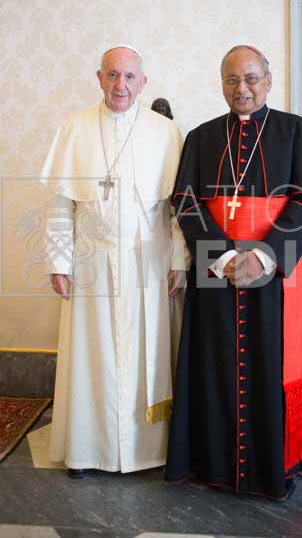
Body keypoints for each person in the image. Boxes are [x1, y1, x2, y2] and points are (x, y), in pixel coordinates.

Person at [165, 45, 302, 500]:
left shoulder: (299, 132)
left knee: (274, 364)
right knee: (215, 365)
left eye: (250, 78)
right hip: (216, 269)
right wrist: (224, 257)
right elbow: (186, 202)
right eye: (231, 80)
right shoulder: (201, 137)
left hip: (281, 269)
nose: (241, 88)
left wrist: (263, 256)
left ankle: (275, 465)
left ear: (268, 80)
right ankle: (215, 464)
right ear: (221, 84)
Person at [41, 44, 189, 478]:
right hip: (91, 262)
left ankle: (149, 450)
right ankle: (88, 451)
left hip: (149, 261)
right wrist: (59, 261)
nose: (120, 85)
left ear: (143, 82)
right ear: (99, 78)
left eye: (129, 76)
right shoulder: (74, 127)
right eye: (111, 75)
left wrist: (179, 260)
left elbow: (178, 207)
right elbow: (60, 204)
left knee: (149, 355)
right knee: (92, 356)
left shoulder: (166, 132)